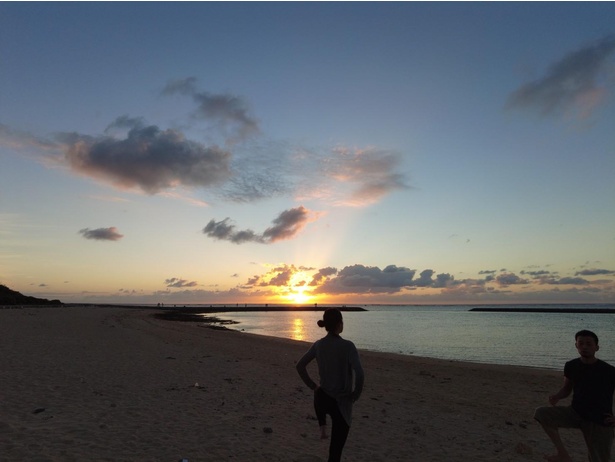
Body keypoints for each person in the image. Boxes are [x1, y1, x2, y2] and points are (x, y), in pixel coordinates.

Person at [534, 329, 615, 462]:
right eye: (581, 343)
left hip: (599, 420)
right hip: (575, 413)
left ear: (597, 347)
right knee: (542, 414)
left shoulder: (609, 371)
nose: (584, 347)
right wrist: (557, 396)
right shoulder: (571, 366)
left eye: (589, 344)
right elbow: (567, 389)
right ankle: (563, 455)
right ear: (576, 346)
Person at [296, 308, 364, 462]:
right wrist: (355, 395)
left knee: (317, 392)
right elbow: (360, 373)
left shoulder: (319, 345)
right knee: (335, 452)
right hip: (342, 405)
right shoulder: (348, 346)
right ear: (339, 324)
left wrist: (313, 385)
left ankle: (323, 426)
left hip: (323, 399)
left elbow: (300, 366)